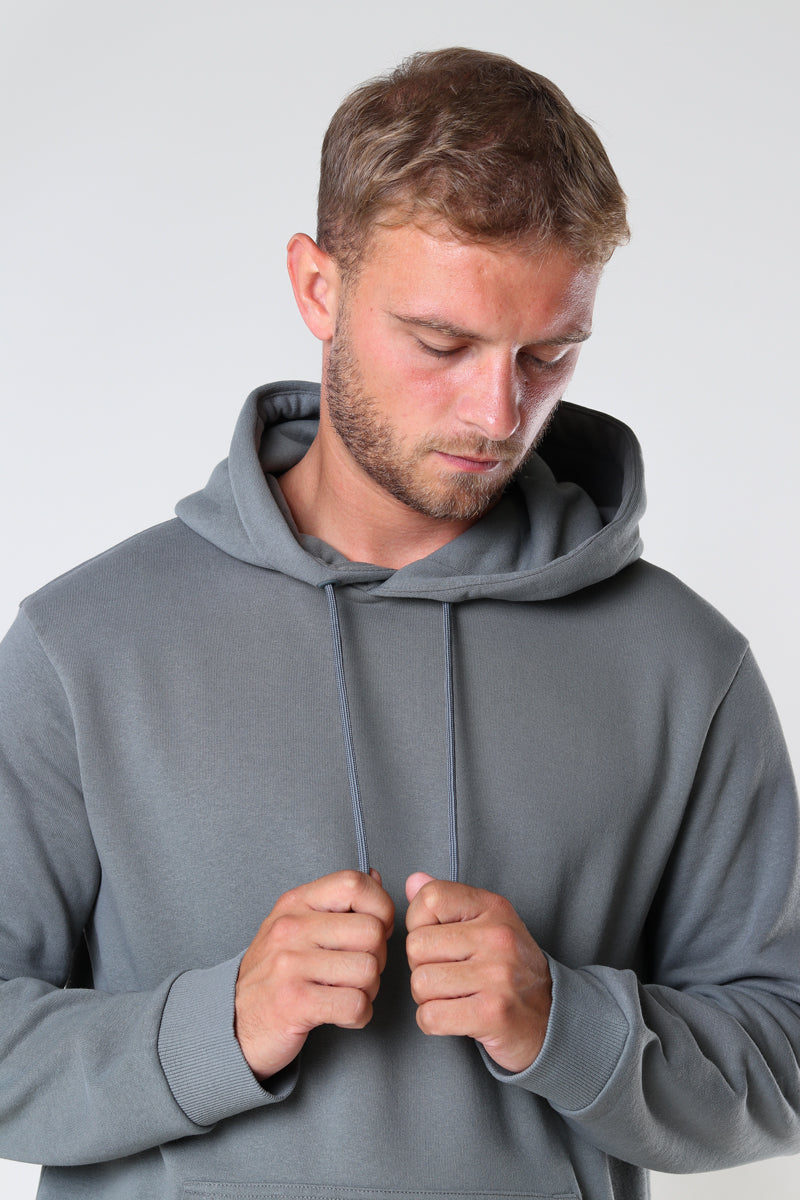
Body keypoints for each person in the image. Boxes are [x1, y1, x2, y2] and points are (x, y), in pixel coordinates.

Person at [1, 45, 799, 1200]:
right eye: (441, 344)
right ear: (316, 288)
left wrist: (563, 1021)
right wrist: (214, 1027)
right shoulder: (83, 648)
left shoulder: (683, 665)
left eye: (547, 354)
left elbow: (782, 1059)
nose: (497, 412)